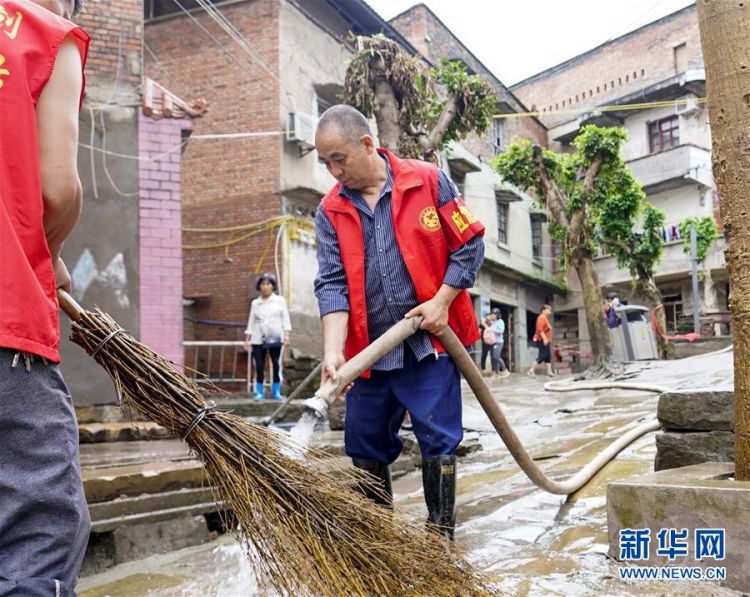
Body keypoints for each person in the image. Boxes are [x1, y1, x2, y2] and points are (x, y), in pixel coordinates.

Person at [313, 104, 485, 540]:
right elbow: (331, 283)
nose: (334, 172)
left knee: (437, 436)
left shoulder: (427, 180)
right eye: (325, 163)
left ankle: (439, 537)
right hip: (368, 351)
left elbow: (469, 245)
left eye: (340, 159)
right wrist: (335, 353)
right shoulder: (330, 211)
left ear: (367, 144)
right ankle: (382, 544)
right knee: (364, 442)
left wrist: (442, 301)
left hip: (427, 341)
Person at [0, 0, 90, 594]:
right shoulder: (42, 33)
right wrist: (39, 254)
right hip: (6, 319)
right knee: (40, 526)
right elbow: (56, 191)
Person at [243, 273, 291, 401]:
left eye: (268, 284)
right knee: (259, 365)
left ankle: (276, 392)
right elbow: (251, 321)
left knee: (276, 364)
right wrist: (247, 339)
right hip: (258, 338)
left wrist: (286, 335)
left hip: (275, 337)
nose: (265, 287)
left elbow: (285, 318)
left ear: (273, 286)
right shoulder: (256, 303)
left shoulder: (280, 300)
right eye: (263, 284)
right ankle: (259, 392)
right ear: (259, 286)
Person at [527, 304, 555, 377]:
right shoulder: (541, 318)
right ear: (543, 310)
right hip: (542, 340)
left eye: (550, 310)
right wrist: (545, 339)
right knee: (542, 355)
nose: (550, 311)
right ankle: (531, 370)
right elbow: (540, 329)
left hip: (547, 340)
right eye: (548, 309)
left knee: (548, 356)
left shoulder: (545, 318)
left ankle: (549, 372)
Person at [489, 308, 510, 379]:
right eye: (491, 314)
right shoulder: (492, 323)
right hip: (493, 342)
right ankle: (496, 373)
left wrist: (492, 329)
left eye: (493, 314)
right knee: (493, 358)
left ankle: (505, 370)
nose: (492, 315)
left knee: (496, 357)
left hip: (499, 342)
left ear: (496, 314)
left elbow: (501, 331)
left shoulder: (500, 321)